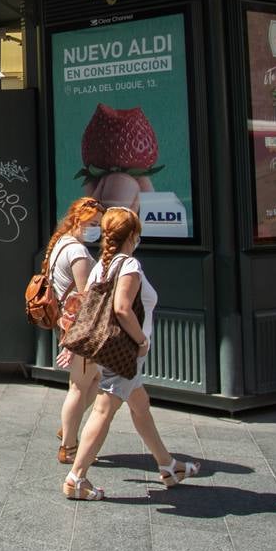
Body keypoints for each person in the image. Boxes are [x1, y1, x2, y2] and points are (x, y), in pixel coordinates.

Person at [63, 207, 202, 500]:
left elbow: (88, 304)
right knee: (103, 410)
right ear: (133, 235)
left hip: (108, 351)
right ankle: (77, 477)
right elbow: (122, 309)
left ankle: (168, 465)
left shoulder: (102, 265)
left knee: (140, 405)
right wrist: (141, 341)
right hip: (125, 352)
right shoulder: (129, 266)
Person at [43, 197, 104, 464]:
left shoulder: (60, 243)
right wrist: (75, 340)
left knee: (93, 381)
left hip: (66, 325)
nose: (97, 229)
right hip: (79, 329)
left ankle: (69, 426)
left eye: (99, 225)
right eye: (92, 224)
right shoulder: (77, 252)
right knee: (79, 387)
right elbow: (83, 299)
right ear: (77, 220)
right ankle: (68, 446)